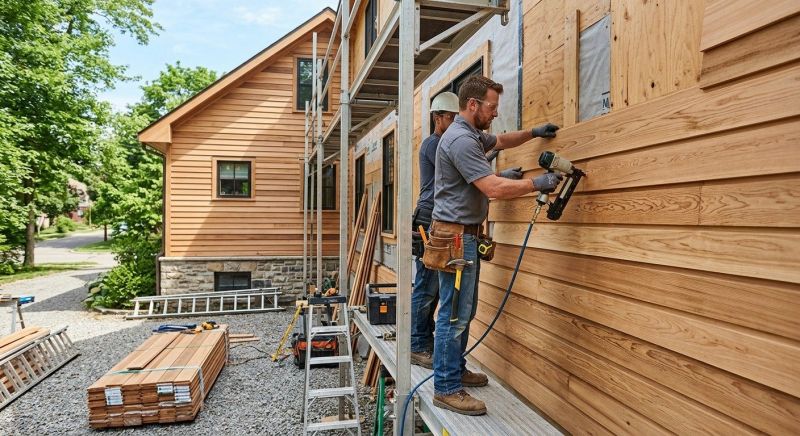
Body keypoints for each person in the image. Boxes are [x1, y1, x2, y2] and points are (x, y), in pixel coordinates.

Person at [429, 75, 562, 415]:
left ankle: (454, 371)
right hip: (456, 239)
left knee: (464, 311)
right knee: (454, 314)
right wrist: (537, 183)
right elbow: (492, 189)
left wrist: (534, 133)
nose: (494, 113)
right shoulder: (460, 140)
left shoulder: (472, 134)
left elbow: (501, 140)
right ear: (472, 105)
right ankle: (446, 387)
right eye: (491, 107)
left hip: (465, 236)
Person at [411, 92, 526, 369]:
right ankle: (418, 345)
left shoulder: (461, 137)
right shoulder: (435, 144)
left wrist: (532, 133)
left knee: (447, 297)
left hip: (452, 223)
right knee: (428, 289)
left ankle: (445, 362)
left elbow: (486, 150)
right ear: (438, 117)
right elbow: (470, 174)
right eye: (449, 117)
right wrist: (497, 175)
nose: (453, 120)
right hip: (433, 220)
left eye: (455, 117)